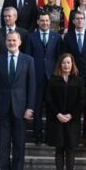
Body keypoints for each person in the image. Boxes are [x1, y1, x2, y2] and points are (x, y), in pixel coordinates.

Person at [0, 31, 36, 170]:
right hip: (2, 110)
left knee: (19, 146)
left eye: (14, 40)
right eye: (9, 40)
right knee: (3, 146)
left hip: (21, 110)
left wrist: (30, 107)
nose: (11, 43)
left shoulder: (28, 60)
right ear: (5, 42)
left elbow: (32, 86)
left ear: (20, 42)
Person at [61, 11, 86, 145]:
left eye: (82, 18)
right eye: (77, 19)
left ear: (85, 20)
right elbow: (64, 57)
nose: (79, 21)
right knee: (74, 107)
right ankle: (74, 136)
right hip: (73, 79)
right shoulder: (68, 37)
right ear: (73, 21)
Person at [45, 53, 85, 170]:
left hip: (72, 121)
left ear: (72, 64)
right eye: (63, 62)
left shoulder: (78, 80)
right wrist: (58, 114)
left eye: (68, 62)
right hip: (56, 120)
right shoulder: (53, 79)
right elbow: (48, 99)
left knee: (70, 149)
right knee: (59, 149)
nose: (66, 65)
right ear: (59, 64)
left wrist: (71, 114)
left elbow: (82, 100)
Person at [24, 11, 62, 144]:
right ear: (38, 22)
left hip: (52, 78)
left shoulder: (56, 37)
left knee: (52, 108)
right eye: (42, 21)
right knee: (37, 108)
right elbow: (28, 58)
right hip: (36, 77)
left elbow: (59, 59)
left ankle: (50, 135)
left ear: (50, 22)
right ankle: (38, 136)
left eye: (47, 20)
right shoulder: (31, 37)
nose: (45, 23)